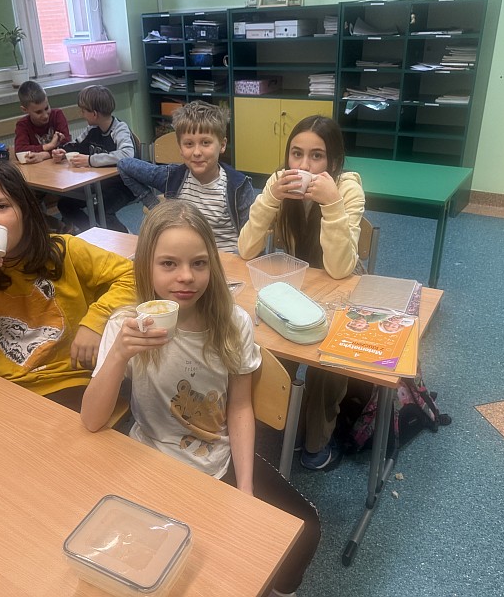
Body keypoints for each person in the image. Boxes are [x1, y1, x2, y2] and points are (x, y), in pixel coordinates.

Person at [81, 200, 320, 597]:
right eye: (168, 264)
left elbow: (240, 408)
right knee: (165, 564)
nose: (186, 277)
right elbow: (91, 421)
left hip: (216, 460)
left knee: (305, 527)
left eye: (199, 263)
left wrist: (245, 488)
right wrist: (119, 354)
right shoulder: (126, 325)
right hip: (151, 461)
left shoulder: (232, 324)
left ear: (212, 265)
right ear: (146, 267)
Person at [0, 160, 136, 411]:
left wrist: (95, 322)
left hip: (76, 380)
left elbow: (133, 275)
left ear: (24, 209)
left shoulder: (64, 250)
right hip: (5, 389)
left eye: (1, 206)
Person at [238, 115, 365, 471]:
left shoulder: (347, 188)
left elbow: (340, 269)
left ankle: (317, 441)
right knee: (266, 341)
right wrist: (270, 199)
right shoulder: (279, 181)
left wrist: (332, 204)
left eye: (316, 156)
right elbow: (246, 249)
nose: (304, 166)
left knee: (328, 362)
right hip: (294, 284)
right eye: (296, 154)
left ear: (333, 162)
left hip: (340, 288)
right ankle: (284, 420)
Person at [117, 100, 255, 253]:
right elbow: (124, 165)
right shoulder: (173, 176)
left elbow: (251, 240)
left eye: (205, 143)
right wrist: (154, 206)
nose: (196, 152)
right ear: (180, 148)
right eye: (189, 144)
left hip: (225, 260)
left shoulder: (238, 186)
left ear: (222, 145)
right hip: (183, 256)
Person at [51, 85, 136, 234]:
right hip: (100, 185)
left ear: (94, 114)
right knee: (65, 204)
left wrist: (91, 160)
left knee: (101, 211)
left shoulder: (119, 129)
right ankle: (93, 233)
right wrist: (62, 152)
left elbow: (127, 154)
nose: (82, 114)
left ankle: (127, 236)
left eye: (83, 111)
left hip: (124, 185)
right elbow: (75, 145)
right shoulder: (91, 129)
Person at [14, 81, 71, 163]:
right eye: (38, 112)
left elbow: (68, 145)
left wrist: (44, 155)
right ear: (25, 110)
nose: (45, 116)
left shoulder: (57, 115)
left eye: (46, 108)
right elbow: (19, 151)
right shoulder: (22, 125)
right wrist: (48, 146)